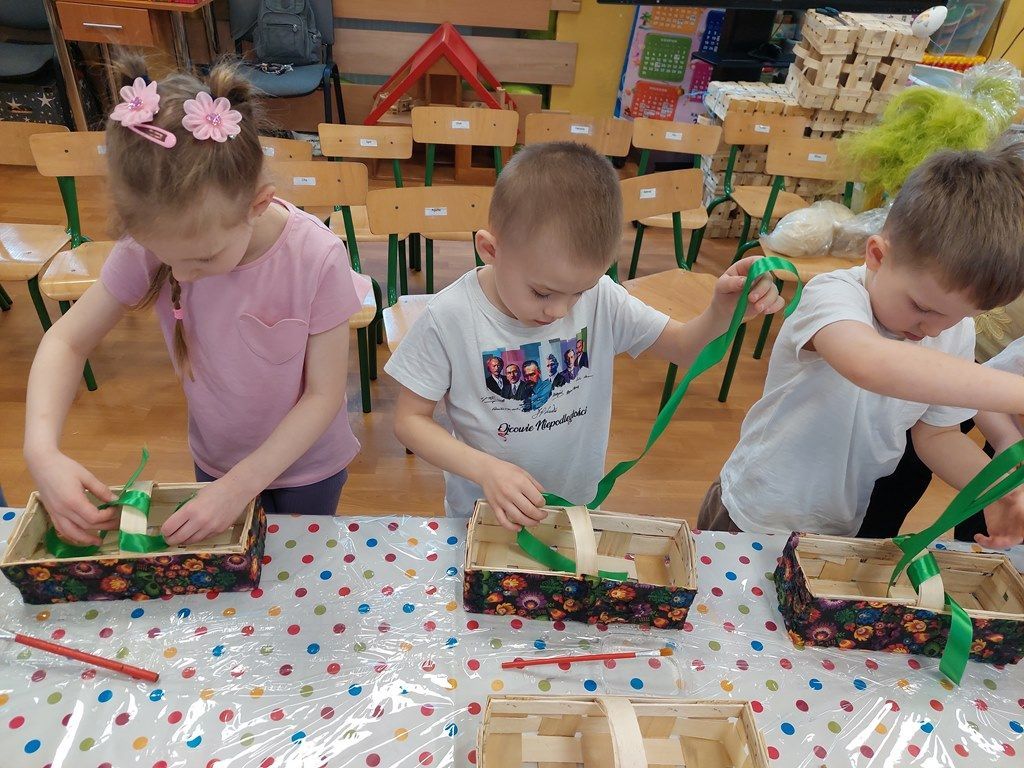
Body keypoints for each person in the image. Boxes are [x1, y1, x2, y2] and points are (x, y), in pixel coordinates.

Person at [23, 58, 370, 547]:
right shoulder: (154, 242)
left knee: (299, 566)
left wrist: (240, 486)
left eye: (203, 259)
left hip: (308, 468)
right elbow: (66, 342)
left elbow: (323, 396)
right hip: (216, 464)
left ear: (258, 204)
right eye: (168, 258)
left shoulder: (316, 256)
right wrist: (41, 452)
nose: (182, 275)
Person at [386, 141, 783, 529]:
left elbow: (683, 348)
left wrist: (721, 312)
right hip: (486, 515)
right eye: (542, 293)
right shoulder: (449, 317)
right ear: (490, 250)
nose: (560, 311)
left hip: (574, 509)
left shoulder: (601, 298)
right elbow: (409, 420)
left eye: (579, 291)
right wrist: (485, 469)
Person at [699, 143, 1024, 548]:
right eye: (922, 308)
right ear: (877, 255)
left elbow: (937, 436)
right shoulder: (833, 295)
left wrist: (995, 490)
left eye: (958, 316)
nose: (933, 329)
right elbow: (870, 363)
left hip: (837, 525)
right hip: (751, 513)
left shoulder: (952, 332)